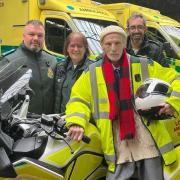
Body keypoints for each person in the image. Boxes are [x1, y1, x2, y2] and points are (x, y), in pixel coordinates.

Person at [65, 25, 180, 179]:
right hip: (117, 144)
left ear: (125, 43)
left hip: (147, 141)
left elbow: (176, 78)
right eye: (108, 44)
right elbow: (78, 99)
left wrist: (174, 101)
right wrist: (76, 121)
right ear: (102, 46)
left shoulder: (144, 64)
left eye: (117, 43)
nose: (113, 48)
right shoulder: (91, 73)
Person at [0, 20, 57, 114]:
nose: (35, 38)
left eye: (40, 35)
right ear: (23, 36)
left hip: (47, 123)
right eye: (31, 34)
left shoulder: (52, 61)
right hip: (20, 124)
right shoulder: (10, 61)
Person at [54, 32, 91, 113]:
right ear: (67, 48)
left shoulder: (92, 69)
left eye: (80, 46)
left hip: (80, 121)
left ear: (85, 48)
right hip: (60, 119)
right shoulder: (59, 67)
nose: (76, 49)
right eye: (72, 46)